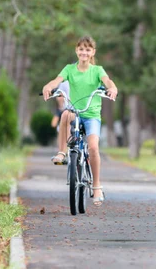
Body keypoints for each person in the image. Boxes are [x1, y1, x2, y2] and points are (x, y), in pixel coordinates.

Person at [42, 36, 118, 206]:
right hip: (75, 111)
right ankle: (62, 152)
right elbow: (57, 80)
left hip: (91, 115)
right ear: (76, 51)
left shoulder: (97, 70)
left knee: (93, 147)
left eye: (88, 49)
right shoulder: (69, 69)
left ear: (93, 52)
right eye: (81, 49)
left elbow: (108, 81)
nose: (84, 52)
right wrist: (49, 86)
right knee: (65, 114)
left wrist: (112, 88)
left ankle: (97, 185)